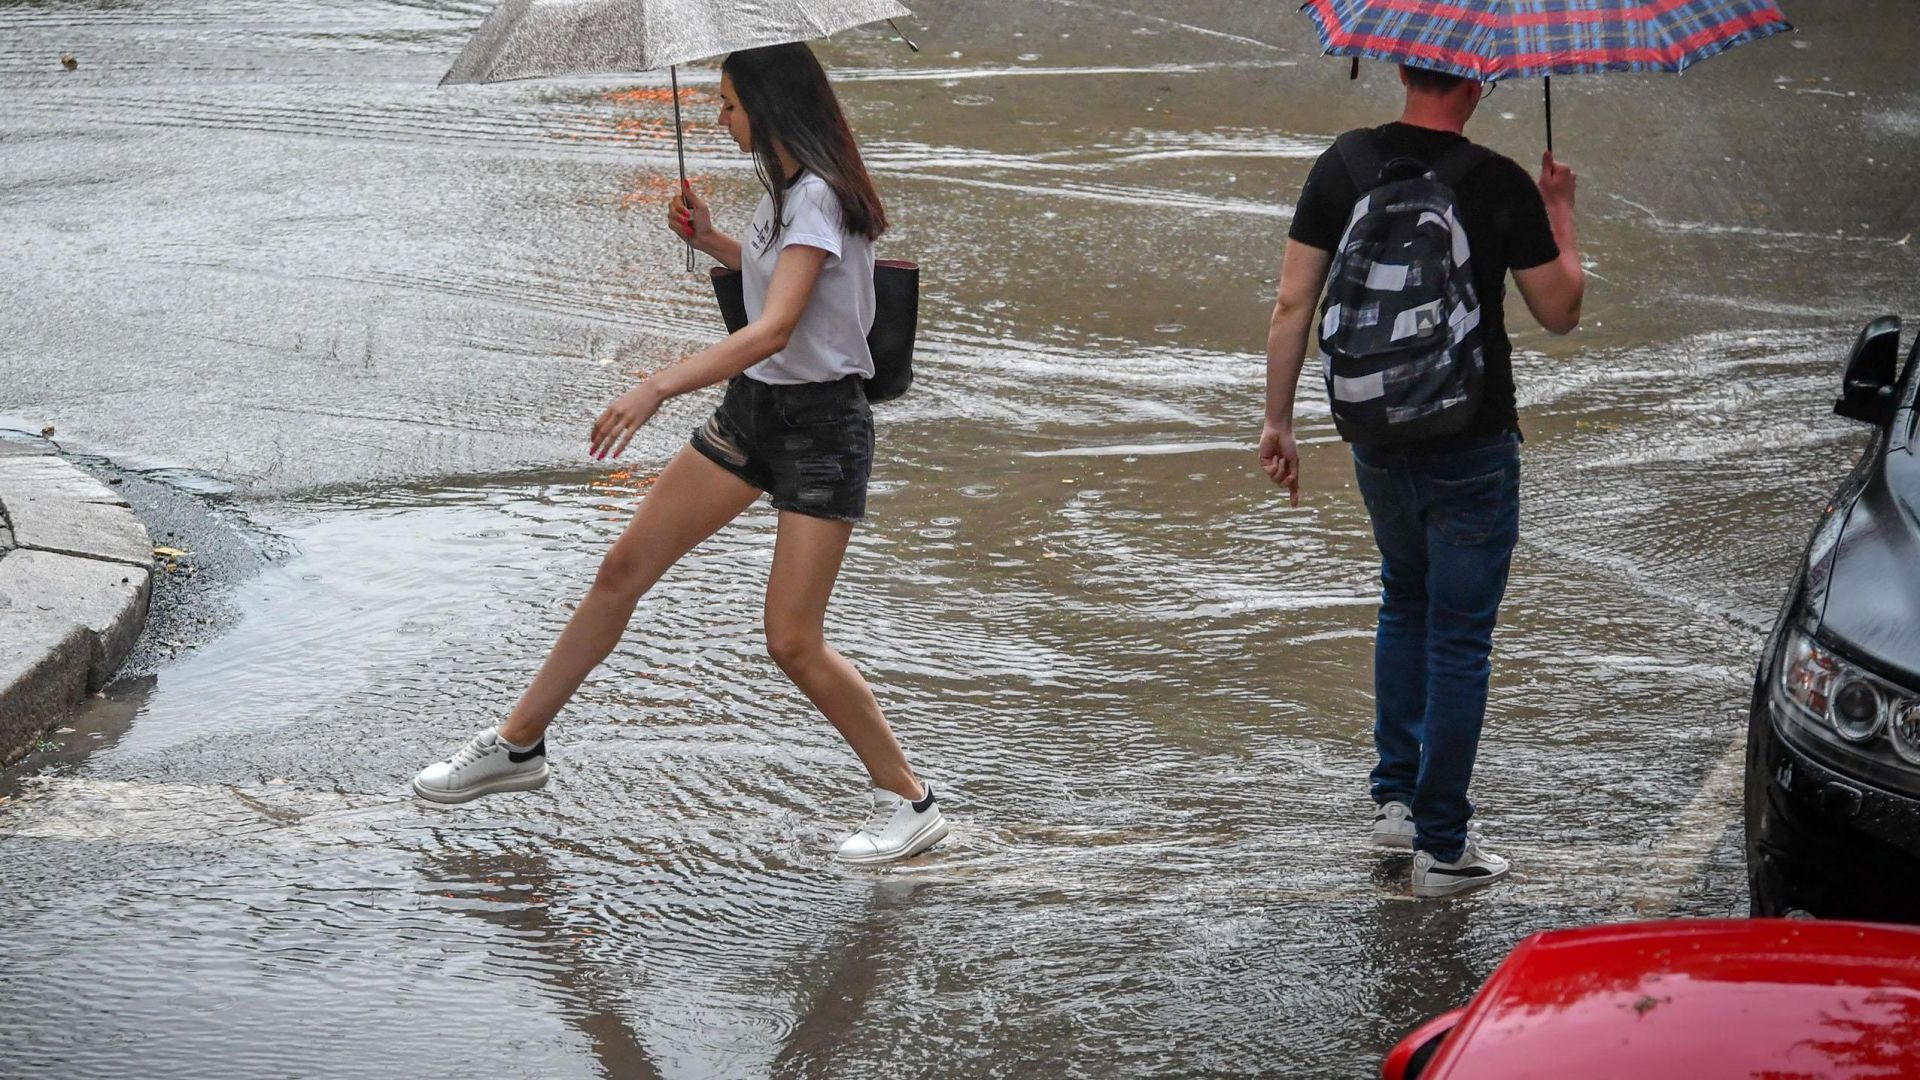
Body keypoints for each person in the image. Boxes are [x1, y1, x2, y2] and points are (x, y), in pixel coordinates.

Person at [412, 42, 948, 866]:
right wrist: (716, 242)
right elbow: (782, 288)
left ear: (767, 107)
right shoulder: (787, 198)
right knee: (622, 570)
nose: (718, 117)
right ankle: (517, 746)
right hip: (756, 411)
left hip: (822, 431)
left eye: (728, 103)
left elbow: (772, 328)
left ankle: (909, 801)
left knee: (791, 640)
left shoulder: (819, 198)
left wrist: (656, 386)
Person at [1260, 64, 1583, 898]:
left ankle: (1396, 805)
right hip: (1472, 442)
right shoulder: (1499, 183)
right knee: (1461, 636)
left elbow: (1292, 306)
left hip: (1377, 437)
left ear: (1403, 64)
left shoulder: (1346, 164)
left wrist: (1279, 421)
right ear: (1476, 87)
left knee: (1404, 598)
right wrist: (1561, 213)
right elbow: (1561, 310)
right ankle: (1445, 847)